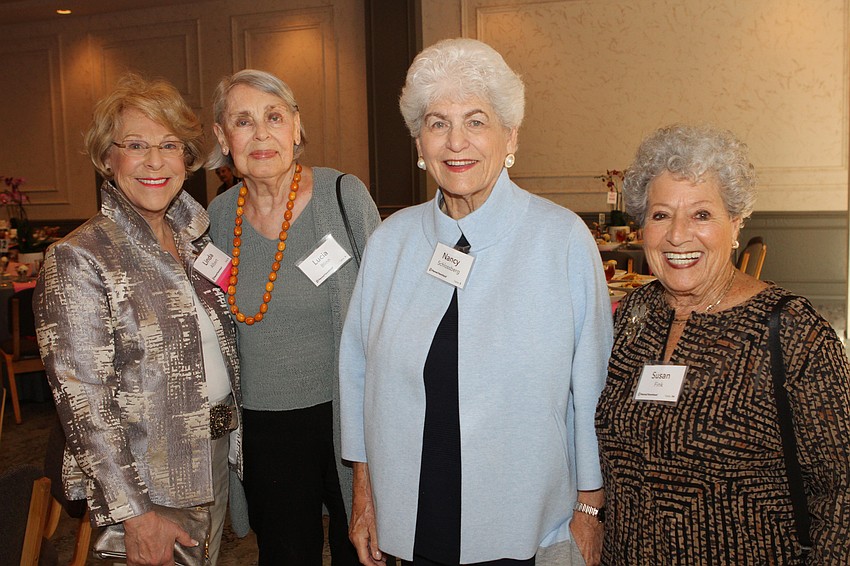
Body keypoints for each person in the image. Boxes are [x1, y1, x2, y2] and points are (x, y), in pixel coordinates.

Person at [340, 38, 612, 566]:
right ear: (419, 143)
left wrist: (591, 507)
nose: (455, 141)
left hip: (529, 519)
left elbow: (592, 389)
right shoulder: (390, 243)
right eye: (437, 123)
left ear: (511, 136)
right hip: (414, 510)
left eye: (476, 121)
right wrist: (365, 493)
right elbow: (357, 374)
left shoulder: (561, 240)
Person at [595, 124, 850, 564]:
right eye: (660, 215)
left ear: (736, 223)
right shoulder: (635, 315)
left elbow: (841, 492)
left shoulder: (790, 331)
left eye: (700, 214)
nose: (677, 235)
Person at [33, 73, 241, 566]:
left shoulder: (195, 239)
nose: (154, 161)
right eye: (136, 145)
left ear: (187, 159)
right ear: (108, 158)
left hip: (210, 458)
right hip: (147, 480)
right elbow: (84, 405)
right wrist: (135, 515)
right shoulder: (79, 257)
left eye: (169, 145)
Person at [206, 69, 381, 565]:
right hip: (265, 428)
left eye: (274, 116)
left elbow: (384, 314)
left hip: (345, 416)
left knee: (364, 549)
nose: (261, 133)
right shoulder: (217, 218)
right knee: (285, 554)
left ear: (297, 127)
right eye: (243, 121)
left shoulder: (344, 196)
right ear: (223, 138)